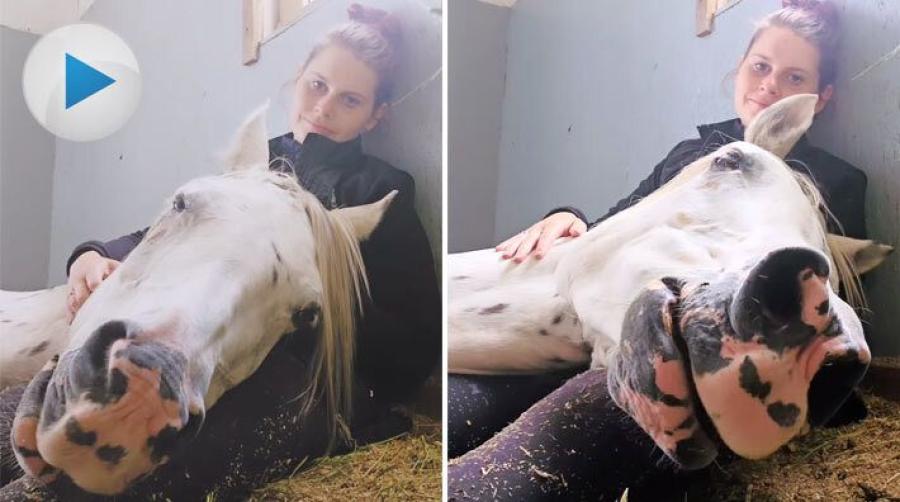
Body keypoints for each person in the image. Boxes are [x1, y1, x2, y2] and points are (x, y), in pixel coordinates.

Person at [2, 4, 440, 500]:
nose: (323, 108)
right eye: (317, 85)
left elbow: (413, 340)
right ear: (299, 76)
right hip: (218, 346)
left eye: (350, 100)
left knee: (175, 450)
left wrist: (311, 303)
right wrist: (92, 253)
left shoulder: (380, 191)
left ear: (375, 115)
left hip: (307, 379)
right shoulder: (258, 163)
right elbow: (181, 229)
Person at [449, 1, 869, 498]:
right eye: (760, 66)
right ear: (739, 69)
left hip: (689, 343)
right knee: (467, 406)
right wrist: (569, 216)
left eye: (793, 77)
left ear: (820, 98)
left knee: (609, 409)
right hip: (594, 328)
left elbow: (824, 300)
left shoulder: (834, 183)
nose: (769, 85)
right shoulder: (689, 154)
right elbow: (623, 220)